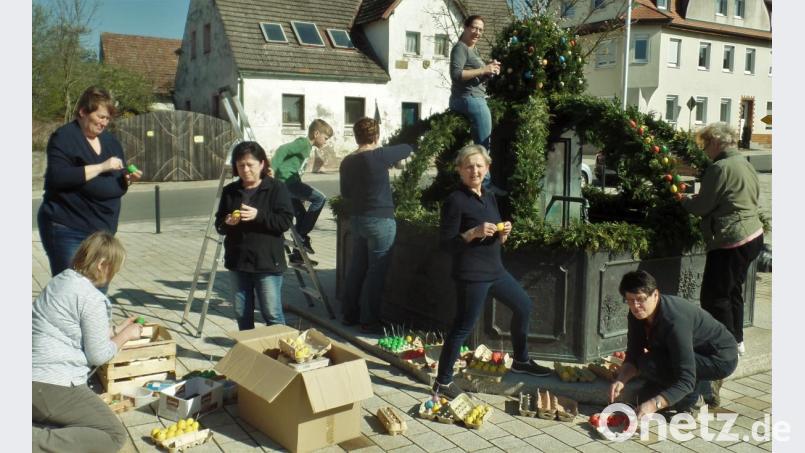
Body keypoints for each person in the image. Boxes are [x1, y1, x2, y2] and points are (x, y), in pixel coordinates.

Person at [432, 144, 552, 399]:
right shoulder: (455, 200)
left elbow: (497, 241)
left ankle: (521, 360)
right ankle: (442, 382)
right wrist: (471, 233)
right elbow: (445, 245)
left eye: (479, 166)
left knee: (523, 306)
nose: (474, 171)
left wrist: (504, 234)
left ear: (487, 168)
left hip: (496, 271)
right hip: (471, 275)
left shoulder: (489, 196)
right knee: (462, 327)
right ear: (459, 171)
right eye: (468, 166)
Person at [32, 232, 144, 453]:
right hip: (50, 385)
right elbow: (99, 355)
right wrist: (126, 335)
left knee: (80, 424)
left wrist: (114, 329)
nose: (113, 275)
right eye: (115, 269)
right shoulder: (90, 297)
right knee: (113, 435)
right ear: (103, 264)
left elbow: (70, 329)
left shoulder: (61, 280)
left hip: (32, 379)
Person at [37, 86, 143, 277]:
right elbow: (58, 177)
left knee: (98, 289)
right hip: (67, 228)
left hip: (103, 234)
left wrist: (127, 180)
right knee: (72, 289)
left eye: (108, 119)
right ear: (83, 112)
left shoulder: (111, 142)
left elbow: (116, 183)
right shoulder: (64, 137)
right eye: (101, 116)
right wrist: (102, 166)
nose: (104, 123)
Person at [680, 122, 764, 356]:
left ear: (717, 142)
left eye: (706, 144)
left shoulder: (720, 168)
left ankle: (723, 348)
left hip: (731, 239)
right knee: (732, 290)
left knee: (714, 296)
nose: (706, 150)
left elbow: (702, 206)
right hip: (753, 235)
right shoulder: (744, 164)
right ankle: (737, 340)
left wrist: (683, 200)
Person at [609, 271, 739, 415]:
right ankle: (704, 384)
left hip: (720, 358)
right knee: (644, 370)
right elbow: (634, 353)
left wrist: (655, 404)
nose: (635, 306)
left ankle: (696, 400)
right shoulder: (637, 313)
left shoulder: (675, 321)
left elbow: (686, 379)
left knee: (653, 373)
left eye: (640, 299)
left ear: (655, 295)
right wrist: (621, 380)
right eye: (630, 300)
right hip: (690, 351)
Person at [339, 117, 413, 333]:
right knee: (376, 271)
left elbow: (345, 193)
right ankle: (369, 320)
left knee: (357, 267)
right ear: (376, 136)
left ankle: (349, 314)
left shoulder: (347, 161)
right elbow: (407, 148)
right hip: (381, 220)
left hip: (358, 219)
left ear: (355, 136)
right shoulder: (379, 155)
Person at [215, 141, 295, 330]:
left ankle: (280, 355)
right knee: (242, 314)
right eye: (240, 165)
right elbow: (219, 225)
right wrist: (227, 222)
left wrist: (258, 215)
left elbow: (284, 222)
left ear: (261, 164)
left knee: (272, 314)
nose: (245, 169)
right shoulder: (230, 191)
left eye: (250, 165)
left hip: (267, 262)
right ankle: (249, 355)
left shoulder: (276, 188)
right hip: (238, 262)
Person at [449, 15, 503, 194]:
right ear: (465, 27)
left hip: (474, 97)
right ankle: (486, 186)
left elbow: (476, 75)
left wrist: (489, 70)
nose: (477, 32)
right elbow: (456, 75)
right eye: (474, 28)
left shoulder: (475, 50)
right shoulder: (460, 48)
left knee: (483, 143)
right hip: (469, 99)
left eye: (481, 29)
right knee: (484, 145)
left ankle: (481, 183)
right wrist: (483, 69)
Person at [271, 119, 332, 264]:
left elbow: (294, 167)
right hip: (287, 183)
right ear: (316, 134)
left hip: (291, 183)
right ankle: (302, 237)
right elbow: (282, 150)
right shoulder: (303, 143)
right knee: (320, 199)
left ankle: (297, 256)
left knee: (301, 215)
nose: (325, 142)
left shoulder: (307, 147)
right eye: (325, 138)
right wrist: (271, 168)